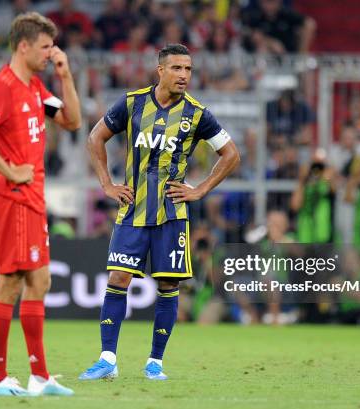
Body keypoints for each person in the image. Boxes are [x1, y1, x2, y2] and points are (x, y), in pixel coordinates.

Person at [80, 44, 240, 381]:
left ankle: (155, 363)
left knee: (168, 285)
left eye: (189, 69)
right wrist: (107, 185)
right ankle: (107, 359)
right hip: (133, 211)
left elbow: (231, 155)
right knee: (118, 278)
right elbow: (96, 138)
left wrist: (200, 189)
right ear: (161, 71)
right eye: (178, 68)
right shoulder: (131, 103)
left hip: (172, 213)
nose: (184, 75)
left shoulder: (198, 114)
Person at [0, 12, 81, 397]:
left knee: (41, 281)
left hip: (32, 197)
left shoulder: (34, 86)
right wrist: (8, 170)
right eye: (47, 46)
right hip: (13, 195)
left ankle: (40, 376)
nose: (53, 52)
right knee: (10, 283)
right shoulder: (4, 85)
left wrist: (65, 76)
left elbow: (71, 121)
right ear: (24, 46)